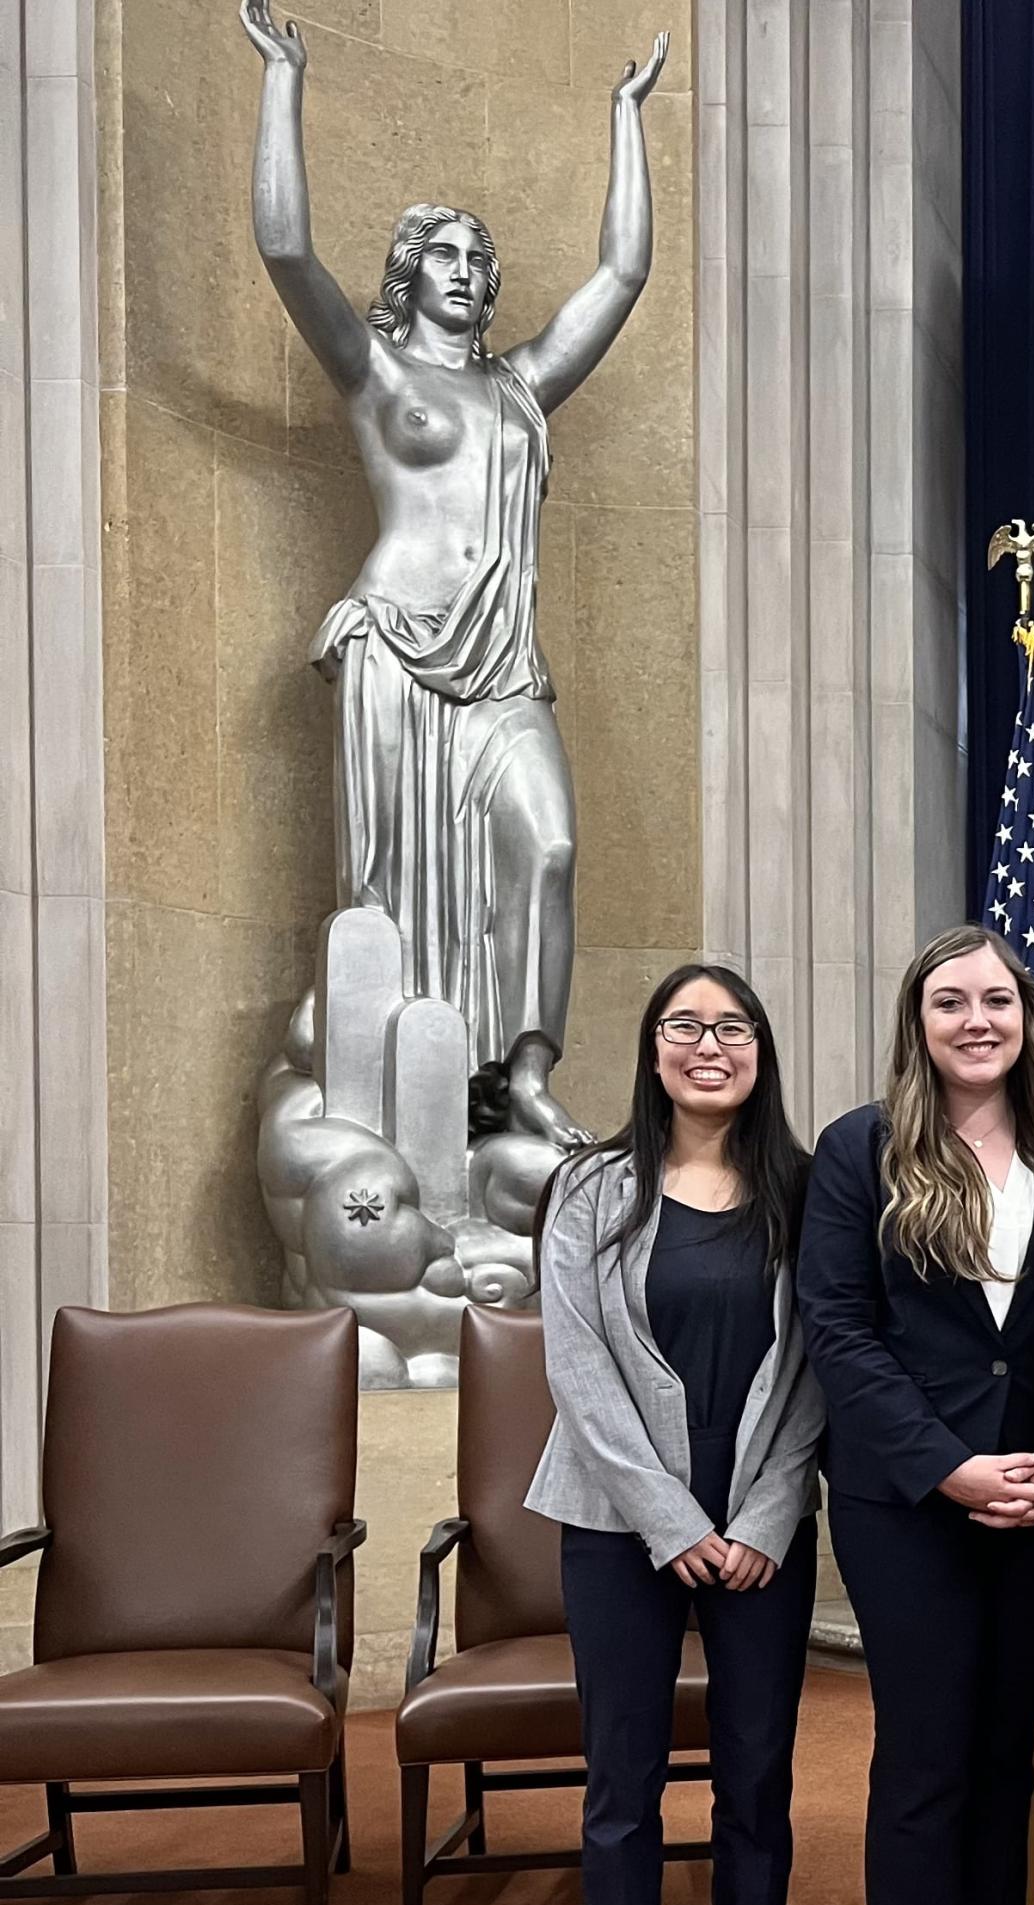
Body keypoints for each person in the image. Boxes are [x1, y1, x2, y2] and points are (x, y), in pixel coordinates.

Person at [241, 0, 670, 1145]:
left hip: (501, 672)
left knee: (550, 841)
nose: (471, 269)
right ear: (408, 270)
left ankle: (522, 1067)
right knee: (386, 897)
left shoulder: (523, 385)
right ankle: (396, 1088)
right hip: (396, 645)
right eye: (447, 251)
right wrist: (284, 79)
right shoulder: (376, 373)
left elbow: (621, 275)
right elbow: (286, 248)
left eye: (483, 257)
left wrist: (627, 120)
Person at [797, 929, 1034, 1905]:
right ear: (917, 1020)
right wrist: (949, 1469)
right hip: (908, 1506)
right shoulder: (857, 1150)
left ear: (1028, 1014)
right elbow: (840, 1330)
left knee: (1005, 1757)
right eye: (949, 999)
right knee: (924, 1759)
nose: (976, 1018)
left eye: (996, 998)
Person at [529, 966, 823, 1905]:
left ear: (760, 1048)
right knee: (623, 1784)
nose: (710, 1045)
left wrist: (758, 1516)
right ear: (651, 1047)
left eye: (733, 1026)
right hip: (617, 1524)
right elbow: (576, 1366)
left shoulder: (803, 1189)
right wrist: (666, 1516)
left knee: (757, 1780)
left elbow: (819, 1367)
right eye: (685, 1026)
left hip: (761, 1533)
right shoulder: (592, 1188)